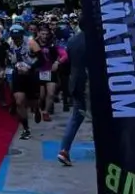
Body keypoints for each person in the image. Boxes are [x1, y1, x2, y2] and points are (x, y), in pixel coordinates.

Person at [59, 28, 88, 166]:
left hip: (76, 83)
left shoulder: (72, 41)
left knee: (76, 117)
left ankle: (64, 150)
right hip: (89, 84)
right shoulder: (96, 40)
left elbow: (68, 62)